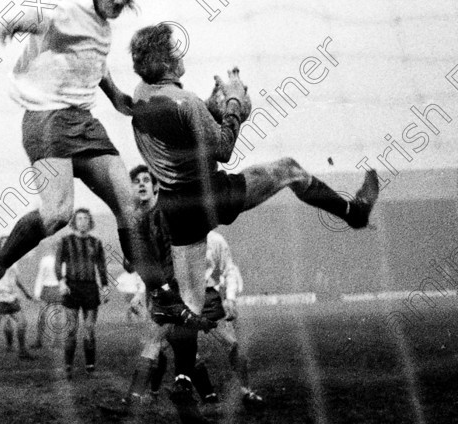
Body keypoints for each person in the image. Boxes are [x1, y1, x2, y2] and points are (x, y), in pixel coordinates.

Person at [0, 0, 180, 325]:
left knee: (130, 206)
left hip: (83, 121)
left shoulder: (102, 26)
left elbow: (95, 59)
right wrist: (17, 22)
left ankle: (158, 292)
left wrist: (117, 98)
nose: (120, 1)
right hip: (47, 119)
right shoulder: (72, 9)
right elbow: (42, 20)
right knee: (58, 214)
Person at [128, 22, 379, 324]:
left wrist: (211, 109)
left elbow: (177, 133)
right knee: (289, 170)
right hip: (207, 195)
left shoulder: (142, 94)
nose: (181, 54)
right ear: (166, 61)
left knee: (189, 305)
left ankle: (185, 370)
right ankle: (354, 212)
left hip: (175, 209)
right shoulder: (187, 101)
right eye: (175, 50)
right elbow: (222, 149)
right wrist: (235, 105)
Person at [120, 165, 211, 424]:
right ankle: (202, 395)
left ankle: (134, 400)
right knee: (177, 347)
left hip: (177, 288)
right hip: (158, 290)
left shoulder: (167, 212)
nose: (141, 184)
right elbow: (129, 265)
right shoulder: (135, 220)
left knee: (158, 342)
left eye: (146, 180)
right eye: (136, 181)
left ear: (156, 186)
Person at [150, 230, 264, 408]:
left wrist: (230, 298)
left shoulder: (215, 239)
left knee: (233, 344)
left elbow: (229, 269)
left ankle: (246, 392)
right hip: (181, 299)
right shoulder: (169, 238)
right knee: (173, 349)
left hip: (209, 299)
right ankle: (207, 398)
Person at [56, 209, 109, 378]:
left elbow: (101, 266)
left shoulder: (96, 243)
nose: (83, 221)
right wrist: (62, 281)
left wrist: (105, 286)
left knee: (89, 329)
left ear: (90, 222)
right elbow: (58, 264)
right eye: (79, 218)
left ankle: (90, 367)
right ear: (74, 222)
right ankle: (68, 367)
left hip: (90, 289)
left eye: (86, 218)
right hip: (71, 287)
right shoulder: (65, 241)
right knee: (71, 329)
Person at [0, 238, 35, 360]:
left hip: (12, 298)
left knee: (22, 323)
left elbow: (16, 279)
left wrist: (26, 293)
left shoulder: (13, 260)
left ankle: (22, 351)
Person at [31, 251, 62, 349]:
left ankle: (56, 341)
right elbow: (40, 276)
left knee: (57, 317)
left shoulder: (63, 260)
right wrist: (37, 293)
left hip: (58, 288)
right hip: (46, 289)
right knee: (42, 316)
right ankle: (39, 341)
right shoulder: (45, 260)